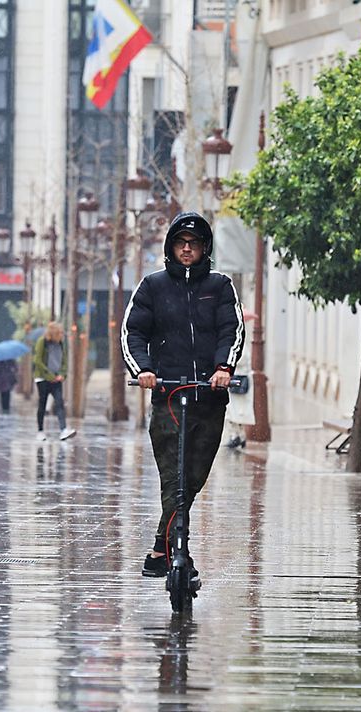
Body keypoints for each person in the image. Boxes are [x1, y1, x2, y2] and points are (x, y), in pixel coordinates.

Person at [122, 211, 244, 578]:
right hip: (168, 397)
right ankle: (175, 550)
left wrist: (224, 368)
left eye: (193, 243)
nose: (187, 249)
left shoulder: (221, 286)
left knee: (192, 477)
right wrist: (143, 370)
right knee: (174, 479)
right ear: (170, 248)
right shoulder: (152, 287)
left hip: (209, 397)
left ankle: (162, 545)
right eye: (180, 243)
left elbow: (231, 329)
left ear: (204, 248)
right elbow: (133, 333)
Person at [32, 322, 76, 441]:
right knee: (42, 403)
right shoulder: (43, 342)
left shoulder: (61, 343)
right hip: (43, 378)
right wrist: (49, 375)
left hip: (57, 378)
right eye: (60, 333)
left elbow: (64, 360)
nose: (62, 335)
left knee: (59, 402)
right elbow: (37, 360)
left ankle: (63, 430)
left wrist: (62, 374)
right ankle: (40, 431)